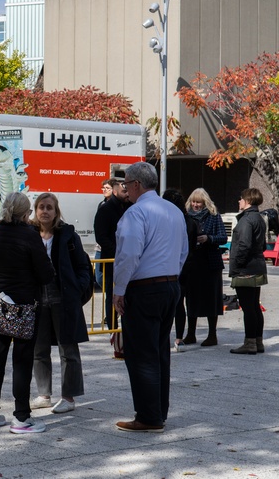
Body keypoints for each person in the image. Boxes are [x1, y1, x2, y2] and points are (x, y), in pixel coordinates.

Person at [112, 162, 188, 432]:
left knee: (141, 354)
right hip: (169, 286)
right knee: (158, 352)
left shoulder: (136, 213)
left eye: (125, 184)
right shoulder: (174, 211)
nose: (124, 189)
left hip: (145, 288)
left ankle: (148, 416)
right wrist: (171, 276)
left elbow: (128, 255)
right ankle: (158, 411)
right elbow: (183, 251)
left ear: (135, 185)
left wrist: (118, 290)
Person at [0, 192, 54, 434]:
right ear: (26, 213)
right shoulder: (29, 236)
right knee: (22, 361)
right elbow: (46, 274)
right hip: (24, 307)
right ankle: (21, 417)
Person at [30, 193, 91, 415]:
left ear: (56, 212)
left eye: (49, 207)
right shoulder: (30, 234)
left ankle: (69, 397)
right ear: (35, 211)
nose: (45, 211)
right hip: (37, 299)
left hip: (62, 298)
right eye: (41, 207)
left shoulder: (67, 236)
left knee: (68, 349)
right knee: (39, 349)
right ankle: (44, 394)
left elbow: (83, 267)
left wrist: (77, 289)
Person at [184, 188, 227, 347]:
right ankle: (191, 333)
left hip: (210, 262)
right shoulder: (186, 216)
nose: (195, 205)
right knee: (191, 297)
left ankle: (212, 335)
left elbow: (223, 237)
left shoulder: (214, 216)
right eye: (193, 202)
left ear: (205, 203)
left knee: (211, 298)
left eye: (198, 202)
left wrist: (208, 238)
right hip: (192, 261)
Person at [228, 188, 267, 355]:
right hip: (257, 265)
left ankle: (250, 343)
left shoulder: (246, 220)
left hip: (246, 269)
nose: (239, 201)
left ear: (248, 201)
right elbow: (262, 245)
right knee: (255, 306)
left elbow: (243, 245)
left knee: (248, 307)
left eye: (241, 198)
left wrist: (236, 266)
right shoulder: (259, 218)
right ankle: (258, 341)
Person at [93, 179, 129, 358]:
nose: (127, 193)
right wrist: (117, 252)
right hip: (113, 259)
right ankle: (112, 327)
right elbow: (101, 235)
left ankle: (123, 327)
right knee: (111, 294)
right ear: (115, 192)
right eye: (123, 191)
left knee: (125, 293)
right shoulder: (106, 209)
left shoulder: (129, 206)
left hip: (127, 259)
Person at [161, 189, 200, 352]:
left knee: (170, 303)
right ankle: (179, 337)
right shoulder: (190, 221)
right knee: (180, 303)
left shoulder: (169, 220)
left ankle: (166, 337)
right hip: (189, 265)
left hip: (171, 265)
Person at [94, 179, 115, 287]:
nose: (104, 190)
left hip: (109, 247)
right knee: (99, 277)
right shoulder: (101, 204)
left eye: (107, 188)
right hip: (99, 247)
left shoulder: (117, 206)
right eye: (103, 188)